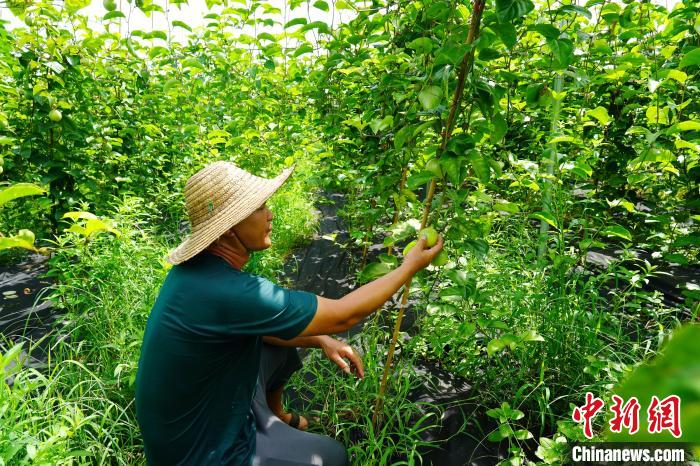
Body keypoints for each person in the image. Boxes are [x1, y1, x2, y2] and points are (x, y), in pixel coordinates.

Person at [134, 161, 444, 465]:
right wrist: (409, 267)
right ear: (229, 230)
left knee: (282, 340)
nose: (270, 215)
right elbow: (343, 316)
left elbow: (254, 326)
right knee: (332, 457)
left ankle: (276, 417)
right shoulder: (228, 292)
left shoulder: (196, 274)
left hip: (197, 419)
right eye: (258, 209)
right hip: (203, 454)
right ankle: (264, 438)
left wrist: (320, 339)